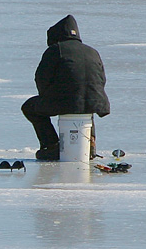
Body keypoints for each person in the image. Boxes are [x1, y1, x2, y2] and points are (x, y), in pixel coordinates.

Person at [22, 15, 109, 161]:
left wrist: (46, 96)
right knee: (86, 105)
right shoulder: (92, 51)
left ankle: (52, 146)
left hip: (66, 102)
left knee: (30, 107)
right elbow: (101, 79)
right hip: (96, 101)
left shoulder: (56, 50)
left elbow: (41, 78)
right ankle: (90, 146)